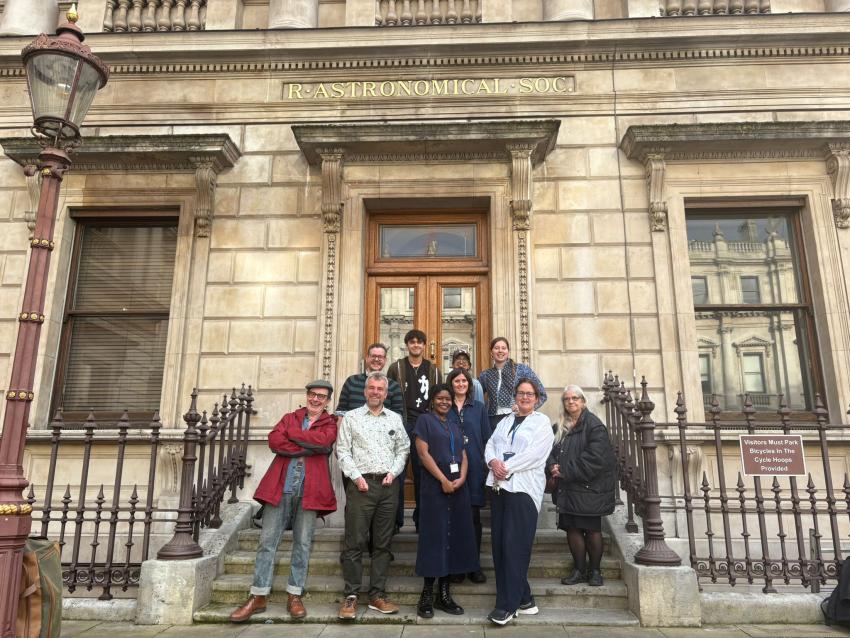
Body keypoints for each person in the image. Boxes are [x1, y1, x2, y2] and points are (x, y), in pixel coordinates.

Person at [229, 380, 338, 622]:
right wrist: (309, 446)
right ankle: (258, 596)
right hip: (280, 488)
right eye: (312, 394)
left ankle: (295, 595)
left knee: (303, 543)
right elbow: (274, 441)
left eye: (321, 396)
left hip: (310, 491)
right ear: (307, 395)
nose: (316, 399)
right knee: (267, 542)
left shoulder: (330, 423)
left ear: (327, 401)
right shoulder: (290, 417)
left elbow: (324, 442)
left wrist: (295, 437)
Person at [336, 371, 410, 620]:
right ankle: (351, 596)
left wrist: (394, 472)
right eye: (372, 388)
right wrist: (356, 477)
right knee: (354, 542)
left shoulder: (395, 419)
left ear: (386, 394)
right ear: (365, 391)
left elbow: (403, 449)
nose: (375, 392)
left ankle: (377, 594)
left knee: (382, 543)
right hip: (361, 486)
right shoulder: (352, 418)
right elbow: (342, 450)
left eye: (380, 389)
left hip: (388, 487)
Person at [484, 379, 554, 625]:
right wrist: (493, 462)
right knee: (501, 547)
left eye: (529, 394)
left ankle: (507, 606)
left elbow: (535, 455)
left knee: (514, 548)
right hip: (500, 488)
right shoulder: (506, 421)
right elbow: (490, 444)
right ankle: (526, 600)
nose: (524, 397)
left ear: (537, 398)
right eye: (521, 393)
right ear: (515, 396)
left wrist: (505, 467)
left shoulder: (542, 423)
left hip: (523, 490)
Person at [413, 385, 479, 618]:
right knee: (434, 539)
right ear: (432, 400)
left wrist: (461, 478)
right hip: (434, 488)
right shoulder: (424, 421)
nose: (444, 402)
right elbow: (423, 454)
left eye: (448, 399)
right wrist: (443, 480)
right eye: (440, 398)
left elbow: (463, 455)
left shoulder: (454, 425)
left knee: (453, 539)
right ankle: (426, 595)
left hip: (458, 489)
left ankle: (444, 594)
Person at [547, 385, 616, 587]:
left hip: (589, 489)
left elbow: (595, 459)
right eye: (567, 399)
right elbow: (548, 451)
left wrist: (564, 470)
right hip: (567, 490)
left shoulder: (594, 425)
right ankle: (578, 570)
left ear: (583, 401)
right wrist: (552, 466)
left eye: (575, 398)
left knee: (592, 530)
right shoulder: (559, 426)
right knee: (572, 529)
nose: (571, 401)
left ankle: (595, 571)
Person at [387, 328, 441, 531]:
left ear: (424, 346)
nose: (416, 345)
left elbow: (439, 398)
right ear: (407, 345)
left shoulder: (433, 370)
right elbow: (388, 396)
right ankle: (395, 521)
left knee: (423, 472)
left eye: (419, 342)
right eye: (412, 342)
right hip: (401, 423)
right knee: (397, 472)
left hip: (425, 424)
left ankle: (422, 521)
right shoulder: (396, 368)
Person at [445, 367, 491, 584]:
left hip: (474, 470)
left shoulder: (479, 408)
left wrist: (486, 465)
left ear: (469, 385)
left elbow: (487, 438)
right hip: (450, 469)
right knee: (454, 518)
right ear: (451, 384)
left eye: (464, 381)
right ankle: (457, 566)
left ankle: (473, 565)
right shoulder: (444, 406)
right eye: (457, 381)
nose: (461, 384)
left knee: (473, 519)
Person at [479, 337, 547, 430]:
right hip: (492, 422)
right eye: (496, 348)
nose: (500, 350)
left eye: (503, 348)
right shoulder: (485, 375)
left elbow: (542, 394)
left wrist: (525, 408)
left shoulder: (521, 369)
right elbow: (476, 397)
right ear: (491, 352)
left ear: (508, 351)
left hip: (517, 418)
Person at [336, 342, 404, 415]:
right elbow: (341, 412)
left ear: (385, 360)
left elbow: (397, 415)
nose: (376, 359)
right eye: (373, 356)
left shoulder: (394, 386)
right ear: (367, 358)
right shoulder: (351, 381)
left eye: (380, 357)